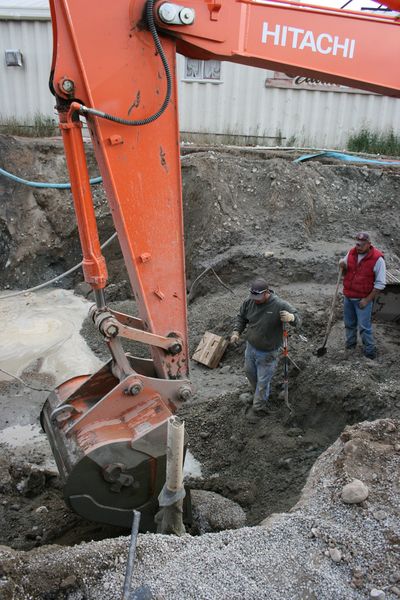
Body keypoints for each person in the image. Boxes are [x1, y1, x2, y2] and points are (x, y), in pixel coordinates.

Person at [230, 277, 300, 423]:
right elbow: (241, 317)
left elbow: (299, 321)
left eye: (259, 297)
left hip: (268, 352)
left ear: (267, 292)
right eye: (253, 296)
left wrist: (292, 317)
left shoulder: (279, 304)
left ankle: (259, 408)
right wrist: (236, 332)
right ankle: (258, 396)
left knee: (263, 381)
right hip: (251, 348)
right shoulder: (249, 302)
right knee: (250, 373)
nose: (255, 300)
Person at [339, 231, 386, 360]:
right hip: (348, 297)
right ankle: (350, 348)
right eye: (357, 244)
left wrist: (367, 300)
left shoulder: (378, 259)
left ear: (369, 244)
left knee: (364, 328)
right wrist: (342, 264)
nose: (358, 247)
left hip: (362, 299)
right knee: (349, 324)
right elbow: (345, 266)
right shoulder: (352, 252)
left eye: (361, 245)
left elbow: (380, 283)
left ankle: (370, 354)